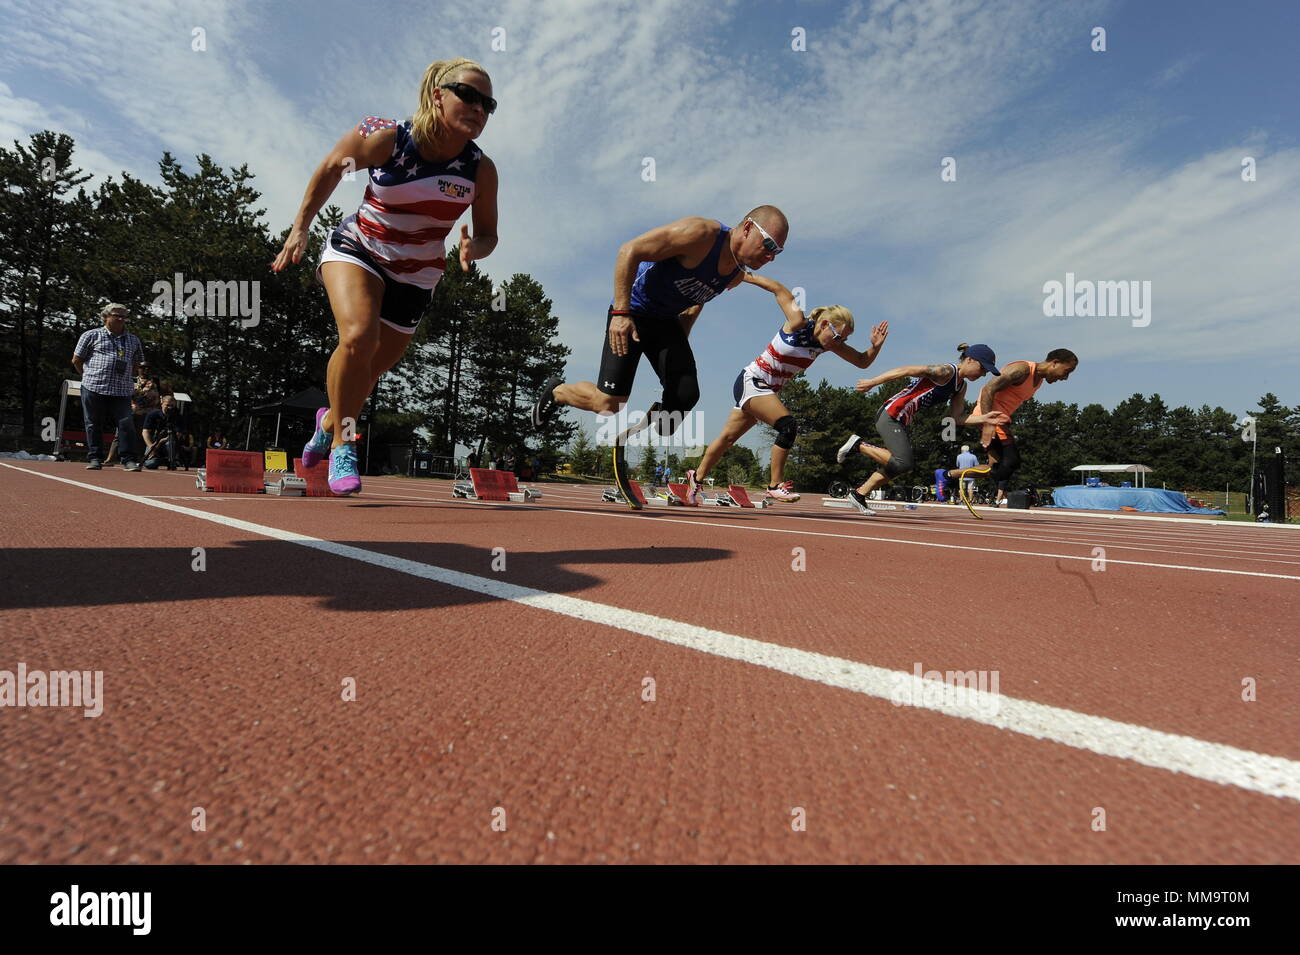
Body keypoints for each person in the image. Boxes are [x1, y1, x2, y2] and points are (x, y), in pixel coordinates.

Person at [273, 57, 499, 495]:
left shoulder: (480, 170)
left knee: (372, 368)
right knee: (359, 337)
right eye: (468, 95)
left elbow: (489, 233)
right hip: (360, 248)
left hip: (418, 273)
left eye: (488, 103)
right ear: (438, 95)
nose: (478, 108)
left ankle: (328, 421)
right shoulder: (385, 136)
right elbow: (328, 170)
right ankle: (343, 442)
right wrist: (300, 227)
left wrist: (476, 249)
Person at [530, 207, 790, 443]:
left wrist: (679, 343)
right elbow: (628, 251)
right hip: (633, 312)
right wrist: (621, 313)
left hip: (665, 323)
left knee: (684, 398)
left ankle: (657, 422)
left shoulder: (734, 274)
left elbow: (698, 299)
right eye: (768, 244)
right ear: (747, 228)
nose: (771, 256)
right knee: (608, 404)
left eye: (777, 252)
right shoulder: (701, 234)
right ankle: (558, 392)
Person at [687, 273, 888, 503]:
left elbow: (862, 361)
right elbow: (778, 289)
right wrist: (740, 276)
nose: (839, 343)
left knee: (727, 438)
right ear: (824, 325)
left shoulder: (827, 344)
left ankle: (696, 477)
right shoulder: (797, 322)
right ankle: (774, 485)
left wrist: (875, 347)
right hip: (752, 381)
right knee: (788, 426)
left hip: (766, 391)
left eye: (843, 340)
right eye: (838, 337)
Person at [834, 344, 1009, 516]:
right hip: (891, 413)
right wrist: (873, 382)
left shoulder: (960, 386)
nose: (983, 374)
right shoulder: (946, 372)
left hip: (901, 419)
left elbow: (957, 418)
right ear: (970, 360)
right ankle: (859, 446)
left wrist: (985, 418)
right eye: (983, 368)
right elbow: (906, 370)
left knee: (900, 465)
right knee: (904, 462)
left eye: (987, 371)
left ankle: (859, 494)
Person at [938, 349, 1079, 506]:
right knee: (1011, 461)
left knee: (994, 469)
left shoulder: (1038, 380)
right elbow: (987, 389)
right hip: (992, 418)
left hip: (997, 420)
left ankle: (946, 475)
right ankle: (951, 478)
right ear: (1055, 362)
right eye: (1066, 371)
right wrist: (987, 423)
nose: (1065, 378)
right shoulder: (1022, 370)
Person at [72, 303, 146, 472]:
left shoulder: (133, 340)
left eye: (123, 316)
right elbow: (76, 360)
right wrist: (88, 375)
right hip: (94, 386)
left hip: (121, 390)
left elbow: (137, 363)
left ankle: (128, 460)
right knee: (93, 423)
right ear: (105, 317)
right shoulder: (91, 335)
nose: (120, 318)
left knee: (126, 424)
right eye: (116, 315)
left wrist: (126, 375)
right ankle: (95, 458)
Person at [142, 395, 182, 470]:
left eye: (172, 406)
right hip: (153, 442)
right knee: (150, 464)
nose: (170, 407)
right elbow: (145, 432)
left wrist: (160, 442)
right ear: (162, 404)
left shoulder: (177, 416)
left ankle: (171, 460)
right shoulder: (152, 414)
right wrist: (151, 446)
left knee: (171, 443)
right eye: (167, 405)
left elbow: (178, 434)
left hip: (167, 442)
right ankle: (162, 460)